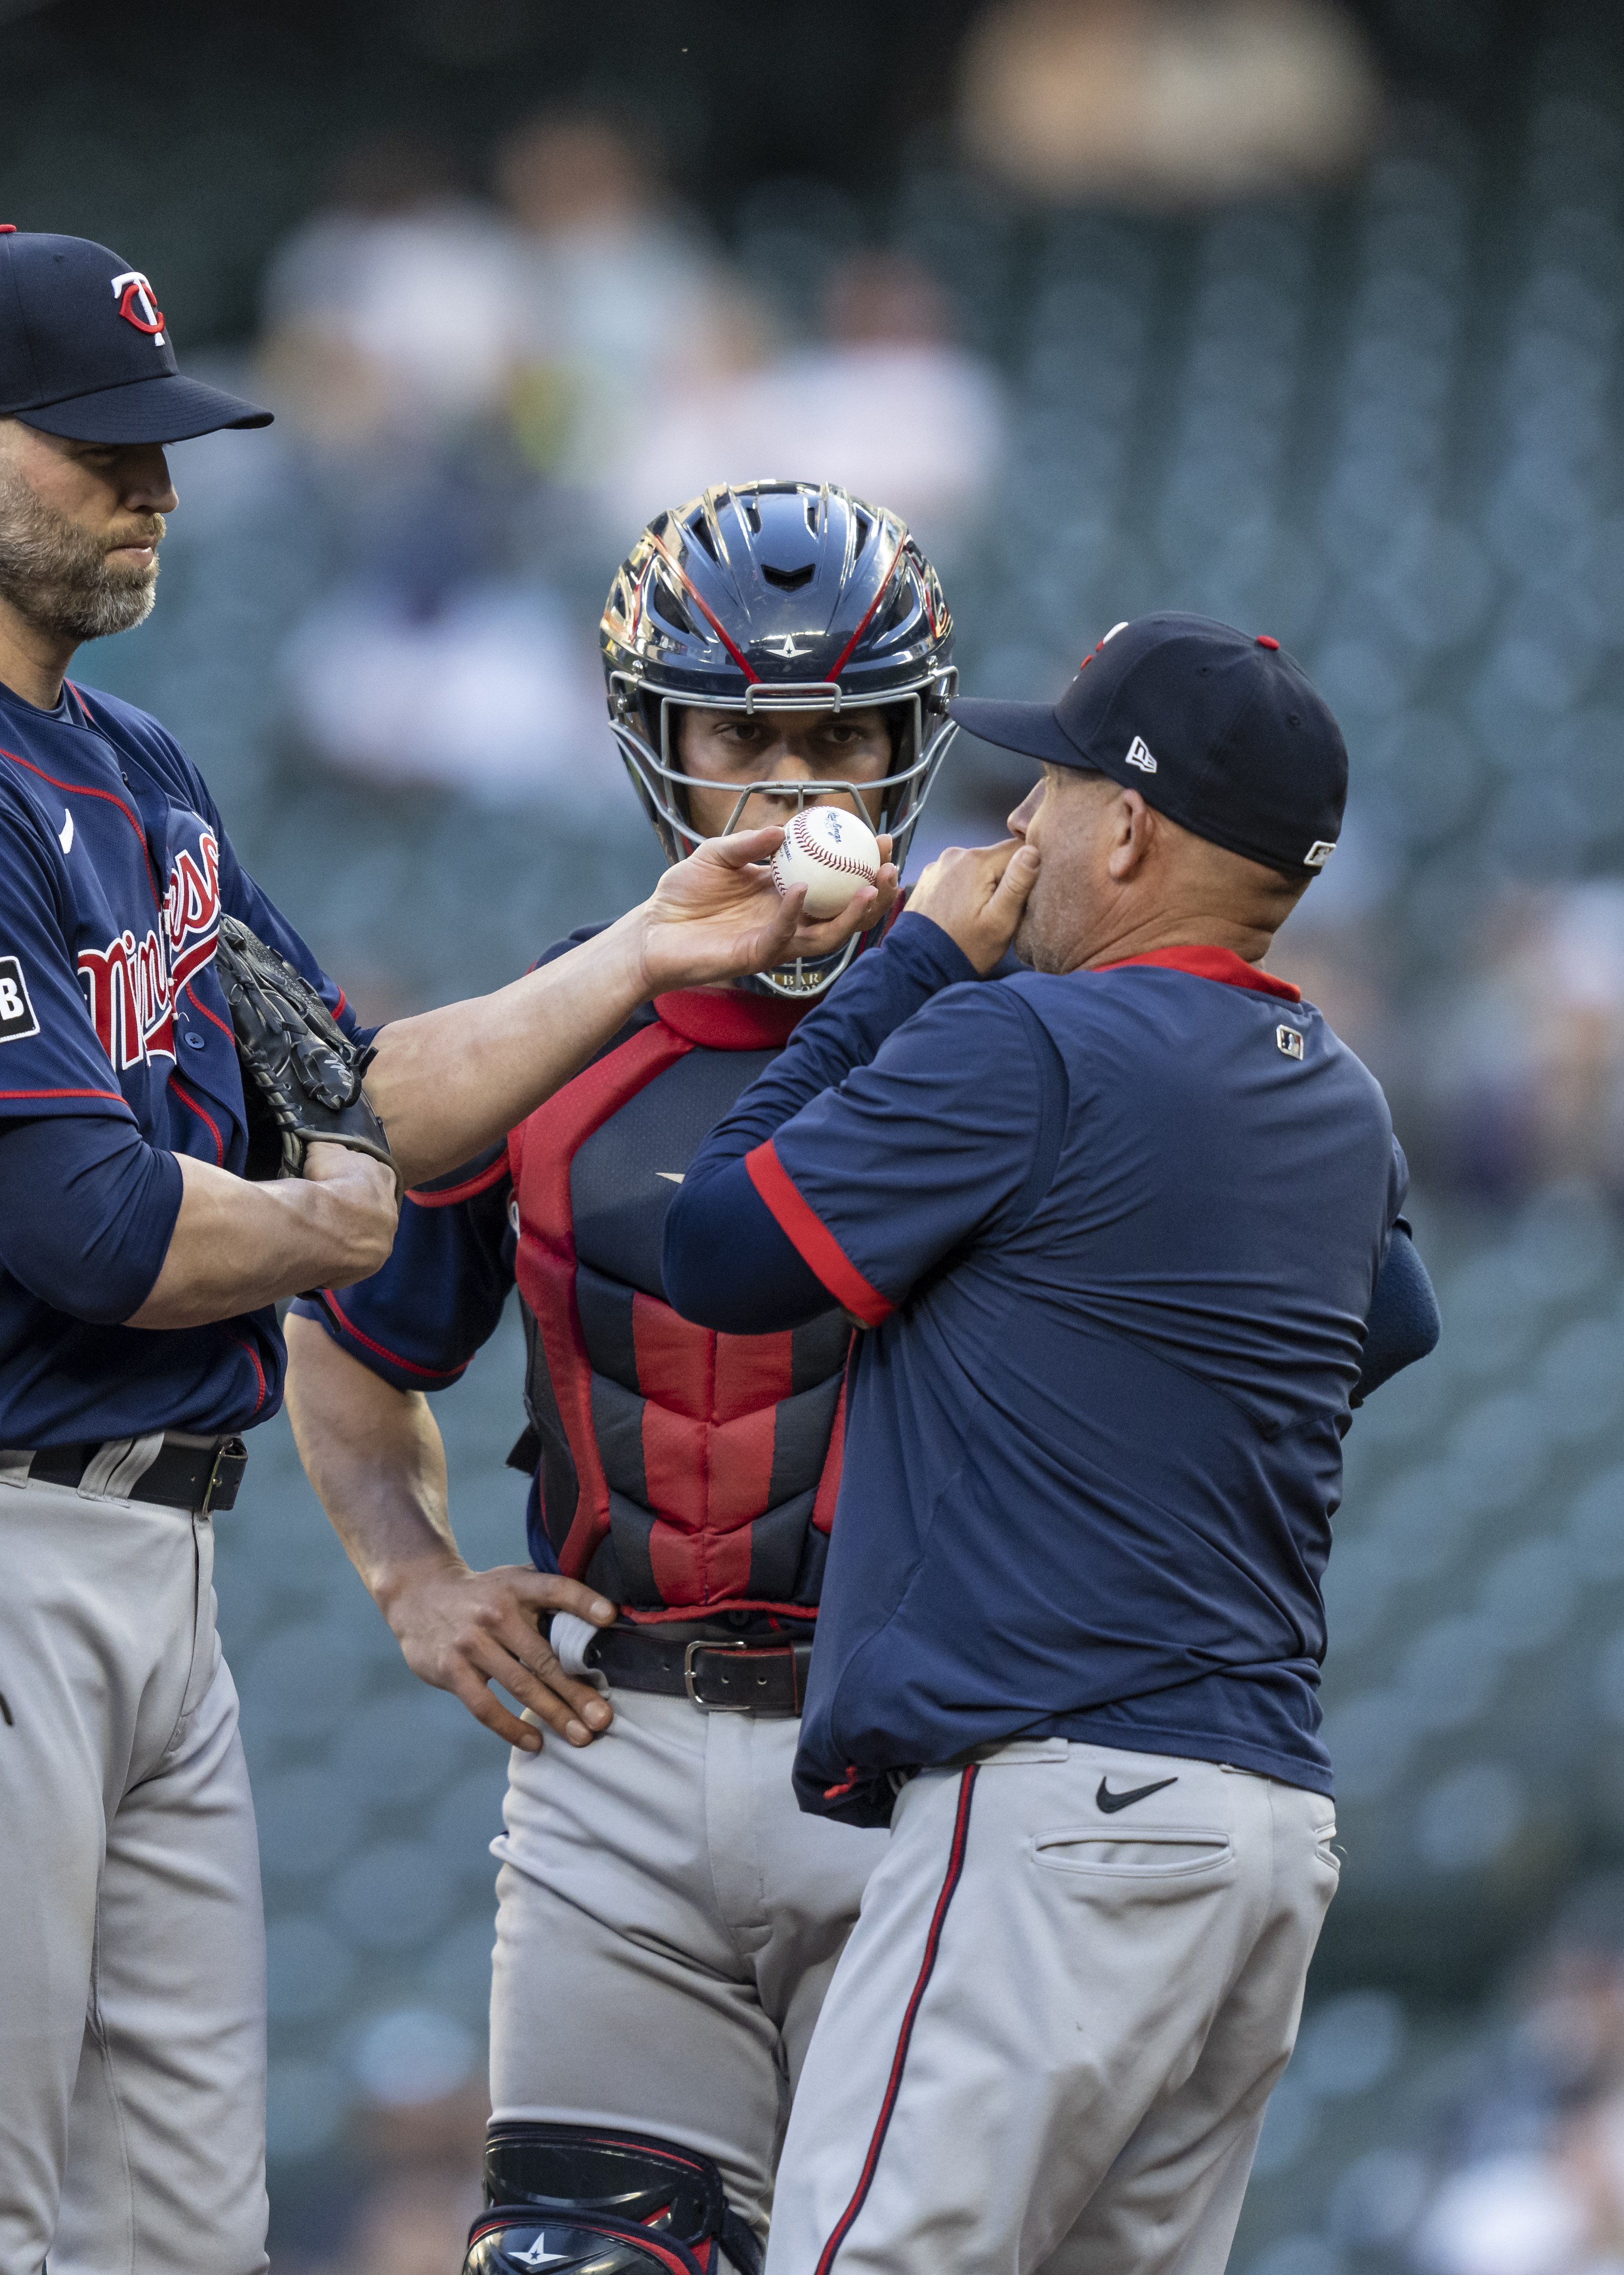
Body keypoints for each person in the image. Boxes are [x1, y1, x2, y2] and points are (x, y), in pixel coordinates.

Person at [0, 228, 891, 2275]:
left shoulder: (127, 759)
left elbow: (360, 1081)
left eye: (161, 443)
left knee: (187, 2223)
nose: (152, 486)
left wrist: (642, 953)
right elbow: (97, 1231)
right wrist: (330, 1219)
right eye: (97, 449)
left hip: (139, 1545)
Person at [656, 615, 1441, 2274]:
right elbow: (1392, 1323)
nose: (1014, 823)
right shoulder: (1339, 1092)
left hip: (1055, 1809)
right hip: (1259, 1832)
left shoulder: (1024, 1044)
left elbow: (718, 1247)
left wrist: (910, 970)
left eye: (1052, 785)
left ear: (1131, 829)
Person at [284, 480, 953, 2274]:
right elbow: (344, 1349)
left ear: (910, 743)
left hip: (926, 1767)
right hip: (616, 1746)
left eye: (843, 733)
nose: (795, 783)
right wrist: (411, 1577)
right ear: (661, 742)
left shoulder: (1011, 1039)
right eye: (745, 730)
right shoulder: (538, 1048)